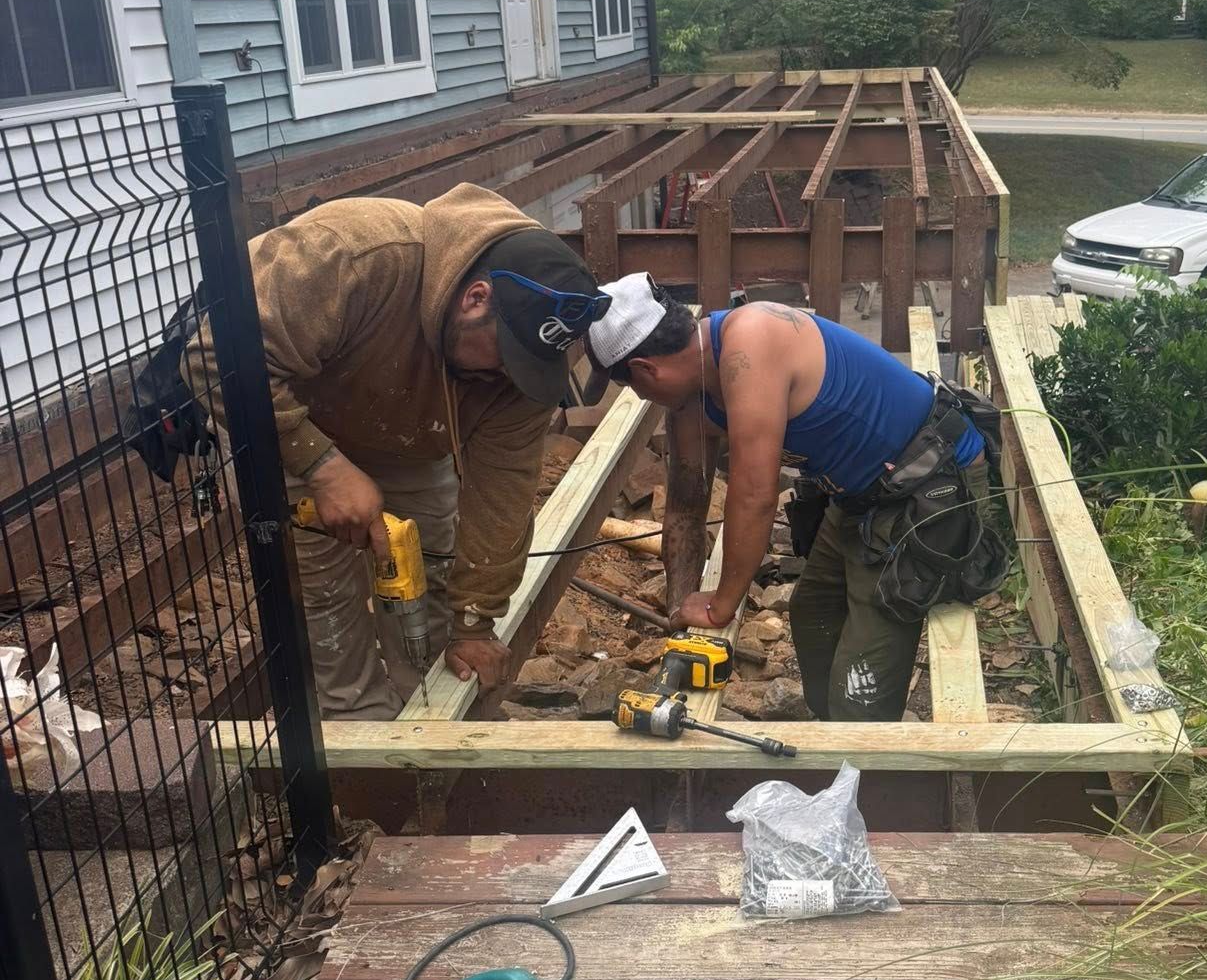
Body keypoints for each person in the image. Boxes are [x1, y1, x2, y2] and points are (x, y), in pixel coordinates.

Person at [183, 183, 609, 719]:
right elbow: (216, 359)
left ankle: (427, 712)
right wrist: (322, 465)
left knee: (423, 571)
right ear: (475, 299)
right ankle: (353, 721)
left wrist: (474, 622)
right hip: (283, 414)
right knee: (324, 599)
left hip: (410, 433)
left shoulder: (523, 370)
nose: (506, 375)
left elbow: (501, 496)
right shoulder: (353, 254)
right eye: (506, 356)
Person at [586, 276, 1008, 722]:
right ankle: (834, 744)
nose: (641, 397)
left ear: (647, 370)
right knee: (813, 616)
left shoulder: (750, 344)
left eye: (632, 386)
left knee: (860, 684)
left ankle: (865, 758)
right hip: (860, 493)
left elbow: (755, 494)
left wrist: (721, 604)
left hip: (926, 487)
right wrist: (682, 612)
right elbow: (687, 507)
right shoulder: (694, 399)